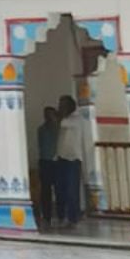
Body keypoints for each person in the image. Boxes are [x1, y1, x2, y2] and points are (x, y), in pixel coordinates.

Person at [54, 94, 86, 227]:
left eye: (63, 105)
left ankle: (73, 218)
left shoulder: (76, 119)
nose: (60, 108)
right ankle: (62, 217)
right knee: (60, 190)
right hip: (61, 158)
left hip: (73, 159)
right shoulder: (65, 119)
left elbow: (60, 123)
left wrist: (58, 115)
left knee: (72, 190)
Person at [36, 105, 60, 227]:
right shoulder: (41, 129)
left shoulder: (59, 129)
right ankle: (47, 216)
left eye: (50, 115)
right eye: (46, 115)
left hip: (56, 162)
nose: (48, 117)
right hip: (45, 161)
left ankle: (61, 214)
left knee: (59, 189)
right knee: (45, 190)